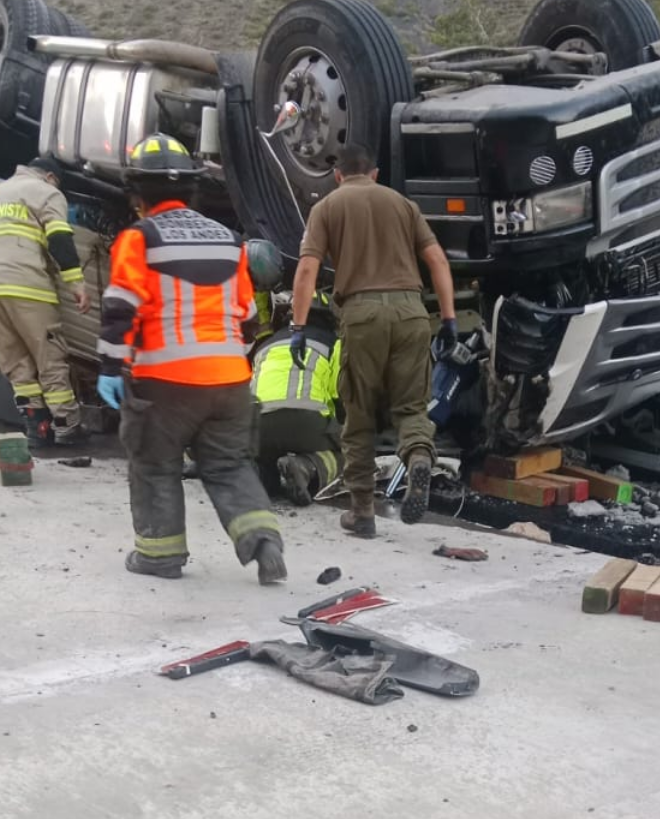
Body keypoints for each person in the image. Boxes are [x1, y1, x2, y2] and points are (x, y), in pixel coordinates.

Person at [96, 133, 286, 585]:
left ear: (138, 193)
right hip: (231, 380)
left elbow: (120, 308)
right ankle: (264, 543)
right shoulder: (227, 240)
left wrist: (109, 367)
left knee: (154, 464)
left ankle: (159, 555)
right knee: (229, 465)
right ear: (193, 190)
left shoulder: (139, 238)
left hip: (165, 382)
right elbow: (246, 317)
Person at [289, 144, 457, 538]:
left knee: (359, 415)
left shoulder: (326, 208)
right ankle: (418, 455)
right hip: (411, 312)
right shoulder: (403, 205)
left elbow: (307, 269)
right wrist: (448, 318)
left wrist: (298, 327)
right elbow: (438, 261)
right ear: (375, 173)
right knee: (412, 407)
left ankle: (362, 511)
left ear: (338, 175)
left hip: (362, 316)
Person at [0, 155, 91, 447]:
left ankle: (37, 430)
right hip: (26, 286)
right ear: (51, 177)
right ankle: (68, 427)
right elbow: (59, 238)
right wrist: (76, 283)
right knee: (50, 357)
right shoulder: (47, 192)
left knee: (16, 363)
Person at [252, 289, 342, 506]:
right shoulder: (334, 343)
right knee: (352, 452)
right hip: (307, 423)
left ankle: (258, 474)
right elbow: (339, 396)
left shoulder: (265, 345)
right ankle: (306, 466)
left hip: (258, 426)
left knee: (263, 456)